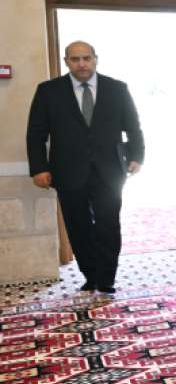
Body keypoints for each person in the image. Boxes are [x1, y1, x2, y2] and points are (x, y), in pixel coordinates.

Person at [26, 41, 144, 295]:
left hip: (110, 171)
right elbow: (36, 133)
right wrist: (38, 168)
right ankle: (90, 275)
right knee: (78, 226)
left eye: (86, 58)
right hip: (68, 171)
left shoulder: (117, 88)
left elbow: (133, 126)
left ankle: (107, 277)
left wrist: (137, 156)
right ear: (66, 61)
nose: (82, 64)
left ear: (95, 59)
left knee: (108, 224)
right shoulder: (48, 91)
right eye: (75, 59)